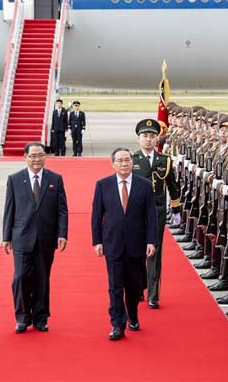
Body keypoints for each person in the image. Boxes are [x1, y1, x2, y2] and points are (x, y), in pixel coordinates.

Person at [91, 147, 158, 341]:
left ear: (132, 162)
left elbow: (151, 216)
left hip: (136, 243)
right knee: (115, 286)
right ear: (113, 164)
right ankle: (117, 324)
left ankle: (133, 315)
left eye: (127, 160)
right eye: (119, 160)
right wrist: (97, 241)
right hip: (112, 243)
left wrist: (151, 241)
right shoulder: (103, 185)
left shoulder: (144, 185)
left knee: (134, 285)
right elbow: (97, 215)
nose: (124, 163)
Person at [1, 142, 68, 333]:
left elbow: (62, 210)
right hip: (21, 236)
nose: (37, 159)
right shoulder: (15, 179)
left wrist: (62, 234)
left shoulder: (55, 179)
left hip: (46, 237)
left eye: (40, 155)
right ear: (25, 157)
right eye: (32, 156)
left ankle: (40, 317)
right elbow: (9, 209)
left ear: (45, 157)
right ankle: (22, 317)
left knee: (42, 278)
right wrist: (6, 237)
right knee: (20, 278)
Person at [132, 119, 181, 309]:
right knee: (137, 252)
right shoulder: (132, 160)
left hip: (157, 212)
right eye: (145, 136)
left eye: (152, 136)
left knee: (155, 252)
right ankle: (138, 287)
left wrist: (176, 210)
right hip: (136, 213)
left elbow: (172, 187)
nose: (148, 139)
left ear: (157, 139)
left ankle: (153, 295)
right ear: (139, 139)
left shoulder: (164, 160)